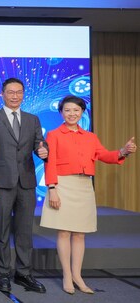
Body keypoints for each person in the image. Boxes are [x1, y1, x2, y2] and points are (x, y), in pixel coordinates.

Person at [40, 95, 136, 295]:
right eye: (67, 110)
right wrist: (52, 189)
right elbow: (50, 163)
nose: (72, 114)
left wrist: (123, 151)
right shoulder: (54, 134)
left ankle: (77, 275)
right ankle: (67, 275)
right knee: (64, 232)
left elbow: (104, 155)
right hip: (63, 185)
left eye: (76, 110)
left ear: (82, 112)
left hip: (84, 187)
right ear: (61, 113)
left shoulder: (90, 137)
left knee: (80, 234)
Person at [0, 77, 48, 293]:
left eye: (19, 92)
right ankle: (3, 273)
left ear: (23, 94)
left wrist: (43, 152)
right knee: (2, 229)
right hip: (1, 183)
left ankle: (24, 273)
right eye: (11, 92)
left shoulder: (32, 119)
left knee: (25, 231)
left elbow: (39, 144)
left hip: (27, 182)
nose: (15, 96)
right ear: (2, 93)